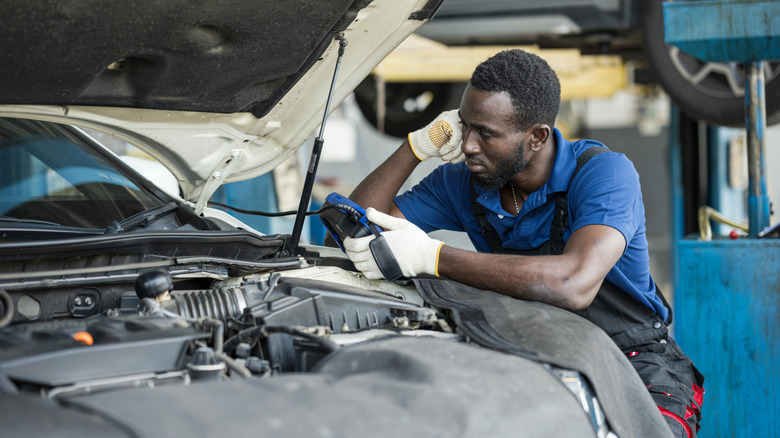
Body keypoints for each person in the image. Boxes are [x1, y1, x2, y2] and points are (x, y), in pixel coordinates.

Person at [342, 49, 704, 437]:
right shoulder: (462, 182)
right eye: (465, 126)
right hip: (536, 355)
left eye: (486, 133)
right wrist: (415, 148)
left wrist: (434, 258)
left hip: (635, 367)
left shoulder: (603, 174)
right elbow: (356, 230)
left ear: (537, 137)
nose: (467, 145)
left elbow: (572, 284)